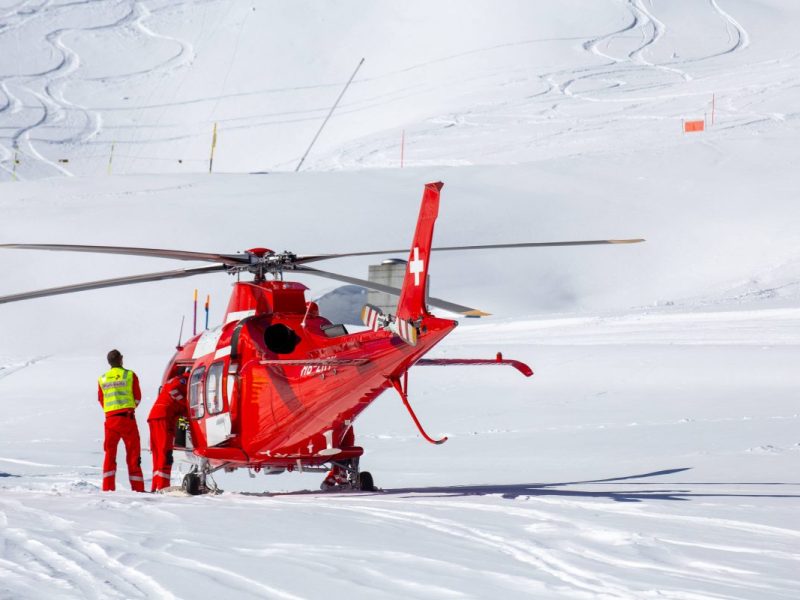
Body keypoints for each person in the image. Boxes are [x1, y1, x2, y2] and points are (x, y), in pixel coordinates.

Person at [97, 349, 145, 492]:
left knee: (109, 455)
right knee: (133, 454)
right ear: (121, 359)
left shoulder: (102, 378)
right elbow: (137, 397)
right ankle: (138, 489)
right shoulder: (130, 375)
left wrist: (112, 410)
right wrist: (128, 408)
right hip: (127, 419)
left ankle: (107, 488)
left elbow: (102, 400)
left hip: (110, 420)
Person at [148, 368, 189, 491]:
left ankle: (155, 486)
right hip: (163, 417)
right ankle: (162, 486)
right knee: (165, 453)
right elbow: (173, 390)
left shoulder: (176, 380)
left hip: (155, 417)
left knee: (157, 453)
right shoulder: (184, 380)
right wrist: (185, 404)